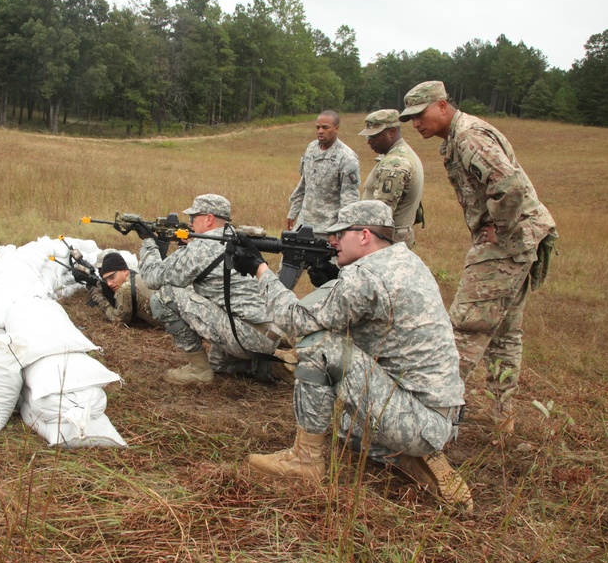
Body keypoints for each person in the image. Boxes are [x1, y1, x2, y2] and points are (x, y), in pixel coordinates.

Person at [231, 201, 472, 510]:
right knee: (347, 428)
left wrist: (260, 270)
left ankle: (306, 460)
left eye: (340, 234)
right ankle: (408, 457)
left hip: (413, 417)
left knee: (318, 344)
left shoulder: (365, 276)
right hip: (438, 414)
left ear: (364, 235)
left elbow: (294, 321)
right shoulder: (405, 261)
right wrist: (333, 277)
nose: (332, 242)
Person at [399, 81, 558, 434]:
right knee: (504, 333)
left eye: (420, 115)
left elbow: (510, 185)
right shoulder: (459, 137)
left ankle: (430, 418)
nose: (416, 124)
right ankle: (504, 420)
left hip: (508, 242)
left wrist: (499, 228)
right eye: (410, 118)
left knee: (464, 328)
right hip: (521, 242)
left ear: (441, 106)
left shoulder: (469, 136)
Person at [135, 194, 286, 385]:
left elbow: (151, 277)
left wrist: (148, 240)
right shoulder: (239, 239)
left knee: (165, 296)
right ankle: (269, 366)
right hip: (270, 333)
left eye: (193, 218)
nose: (189, 223)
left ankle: (198, 370)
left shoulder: (200, 248)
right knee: (217, 362)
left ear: (209, 219)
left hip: (244, 336)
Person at [359, 109, 425, 248]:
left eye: (374, 136)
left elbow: (380, 214)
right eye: (368, 136)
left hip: (386, 241)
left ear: (391, 132)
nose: (369, 141)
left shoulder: (394, 163)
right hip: (392, 239)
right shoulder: (404, 154)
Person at [286, 110, 360, 234]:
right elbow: (304, 184)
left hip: (327, 231)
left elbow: (349, 201)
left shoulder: (346, 158)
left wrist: (339, 233)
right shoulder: (311, 148)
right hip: (302, 226)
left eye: (325, 127)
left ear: (336, 128)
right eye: (318, 127)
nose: (320, 131)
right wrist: (293, 212)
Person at [85, 252, 160, 327]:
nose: (109, 283)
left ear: (125, 272)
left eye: (112, 277)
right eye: (106, 280)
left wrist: (99, 299)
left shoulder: (125, 288)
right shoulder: (136, 277)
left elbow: (118, 320)